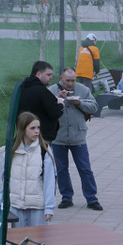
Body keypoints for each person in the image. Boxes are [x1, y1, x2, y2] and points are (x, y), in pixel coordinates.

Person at [49, 69, 101, 211]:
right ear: (61, 78)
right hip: (58, 137)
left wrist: (79, 103)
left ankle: (92, 198)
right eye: (68, 80)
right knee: (61, 170)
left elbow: (94, 107)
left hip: (78, 136)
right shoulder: (52, 90)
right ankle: (66, 198)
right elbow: (46, 110)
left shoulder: (83, 89)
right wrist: (57, 99)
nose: (71, 83)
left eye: (73, 80)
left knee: (85, 169)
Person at [5, 112, 58, 227]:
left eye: (38, 128)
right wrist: (3, 202)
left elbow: (49, 181)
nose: (36, 131)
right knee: (18, 237)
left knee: (38, 237)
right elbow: (5, 178)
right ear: (22, 129)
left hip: (37, 206)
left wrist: (49, 207)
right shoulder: (11, 149)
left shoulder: (44, 150)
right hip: (17, 205)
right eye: (32, 128)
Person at [16, 61, 65, 144]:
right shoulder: (43, 92)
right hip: (41, 137)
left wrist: (55, 98)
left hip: (24, 134)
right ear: (38, 74)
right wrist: (61, 105)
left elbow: (36, 104)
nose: (51, 77)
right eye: (48, 74)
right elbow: (54, 112)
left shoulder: (23, 88)